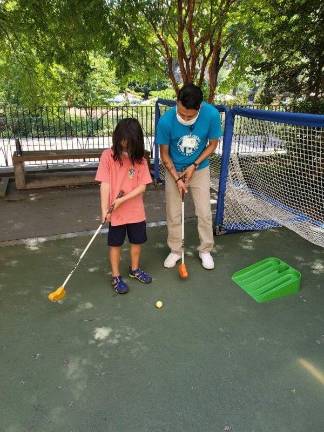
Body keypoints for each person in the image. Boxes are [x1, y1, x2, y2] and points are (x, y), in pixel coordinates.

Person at [156, 83, 221, 270]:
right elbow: (164, 154)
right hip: (174, 169)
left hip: (199, 169)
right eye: (182, 113)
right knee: (174, 212)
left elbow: (212, 144)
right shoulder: (166, 121)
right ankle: (176, 250)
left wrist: (194, 165)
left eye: (190, 116)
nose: (185, 118)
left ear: (199, 108)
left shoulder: (211, 115)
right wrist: (177, 178)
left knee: (204, 212)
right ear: (177, 102)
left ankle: (205, 249)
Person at [95, 118, 152, 294]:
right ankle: (116, 276)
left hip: (136, 212)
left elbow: (142, 187)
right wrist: (105, 209)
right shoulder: (107, 156)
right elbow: (104, 183)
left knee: (136, 242)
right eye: (122, 144)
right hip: (116, 214)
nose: (124, 148)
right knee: (115, 244)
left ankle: (134, 269)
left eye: (128, 145)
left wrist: (122, 199)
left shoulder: (140, 160)